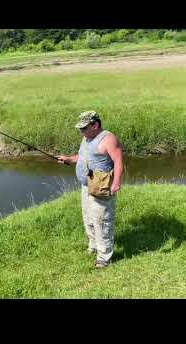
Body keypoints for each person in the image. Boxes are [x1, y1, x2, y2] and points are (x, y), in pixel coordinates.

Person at [57, 111, 123, 269]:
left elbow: (119, 161)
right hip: (86, 185)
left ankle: (104, 256)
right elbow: (83, 157)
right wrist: (69, 159)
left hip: (101, 187)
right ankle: (93, 244)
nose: (82, 131)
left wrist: (116, 183)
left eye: (84, 128)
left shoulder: (109, 139)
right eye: (80, 128)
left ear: (95, 125)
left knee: (102, 221)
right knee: (88, 218)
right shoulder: (87, 138)